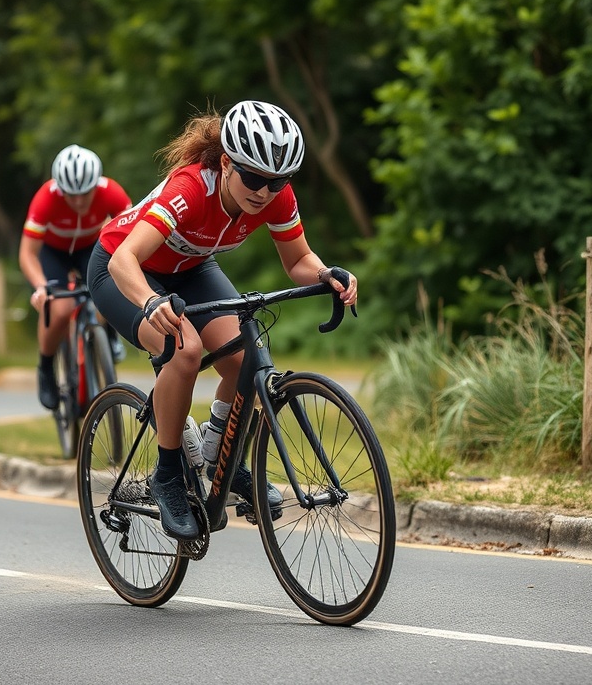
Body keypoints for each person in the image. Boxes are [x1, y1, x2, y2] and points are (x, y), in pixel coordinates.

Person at [87, 100, 357, 541]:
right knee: (186, 349)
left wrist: (328, 275)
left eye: (277, 181)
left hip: (191, 268)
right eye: (253, 177)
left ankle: (220, 459)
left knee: (246, 357)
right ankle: (169, 475)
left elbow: (299, 260)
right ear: (228, 163)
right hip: (123, 270)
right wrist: (152, 302)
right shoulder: (191, 189)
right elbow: (124, 259)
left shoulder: (273, 196)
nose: (264, 192)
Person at [19, 144, 133, 410]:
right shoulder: (45, 199)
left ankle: (108, 336)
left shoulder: (112, 192)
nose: (79, 202)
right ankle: (46, 367)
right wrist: (41, 287)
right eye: (72, 195)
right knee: (59, 310)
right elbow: (27, 254)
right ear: (60, 189)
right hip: (53, 253)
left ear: (97, 185)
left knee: (108, 291)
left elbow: (131, 235)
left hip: (89, 248)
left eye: (85, 194)